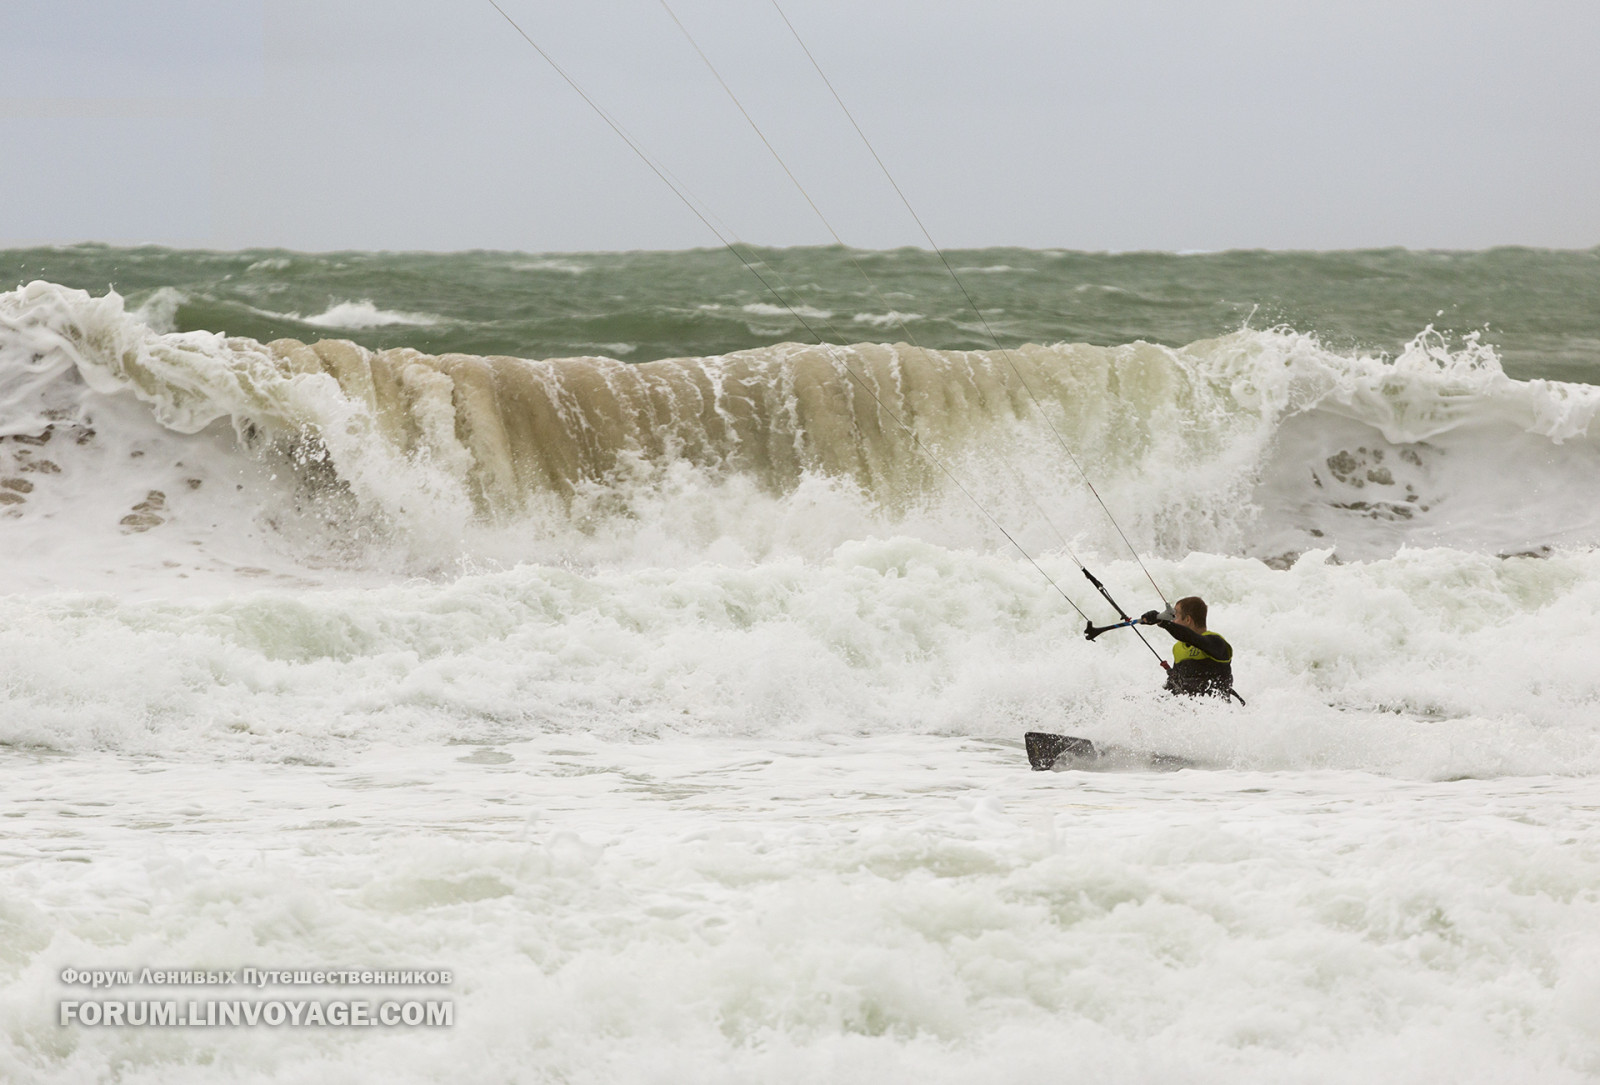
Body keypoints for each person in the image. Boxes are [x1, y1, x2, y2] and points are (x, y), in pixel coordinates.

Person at [1140, 596, 1237, 700]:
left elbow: (1193, 638)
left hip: (1216, 712)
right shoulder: (1178, 648)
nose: (1172, 621)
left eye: (1174, 617)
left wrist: (1163, 622)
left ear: (1187, 619)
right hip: (1187, 712)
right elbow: (1173, 687)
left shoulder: (1217, 643)